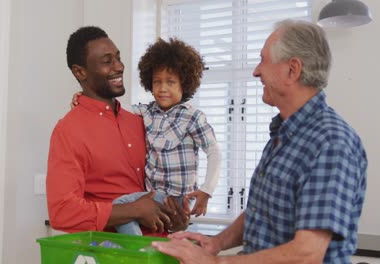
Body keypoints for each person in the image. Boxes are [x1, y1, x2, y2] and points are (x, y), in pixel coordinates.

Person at [151, 19, 368, 263]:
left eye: (263, 60)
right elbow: (262, 212)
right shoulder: (283, 134)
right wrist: (216, 243)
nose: (256, 71)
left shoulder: (331, 144)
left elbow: (307, 254)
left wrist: (215, 262)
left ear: (292, 70)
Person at [46, 26, 188, 236]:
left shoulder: (140, 121)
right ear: (80, 71)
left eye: (118, 58)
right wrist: (134, 210)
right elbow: (63, 212)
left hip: (158, 251)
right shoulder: (68, 131)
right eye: (107, 61)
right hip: (112, 253)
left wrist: (175, 218)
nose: (119, 66)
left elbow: (158, 189)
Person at [112, 38, 221, 235]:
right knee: (128, 210)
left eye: (170, 82)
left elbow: (213, 151)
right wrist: (83, 98)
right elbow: (115, 107)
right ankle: (142, 247)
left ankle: (138, 250)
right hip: (155, 195)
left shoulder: (192, 117)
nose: (162, 88)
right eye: (157, 82)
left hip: (177, 198)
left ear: (184, 84)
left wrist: (207, 190)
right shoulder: (148, 112)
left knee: (121, 206)